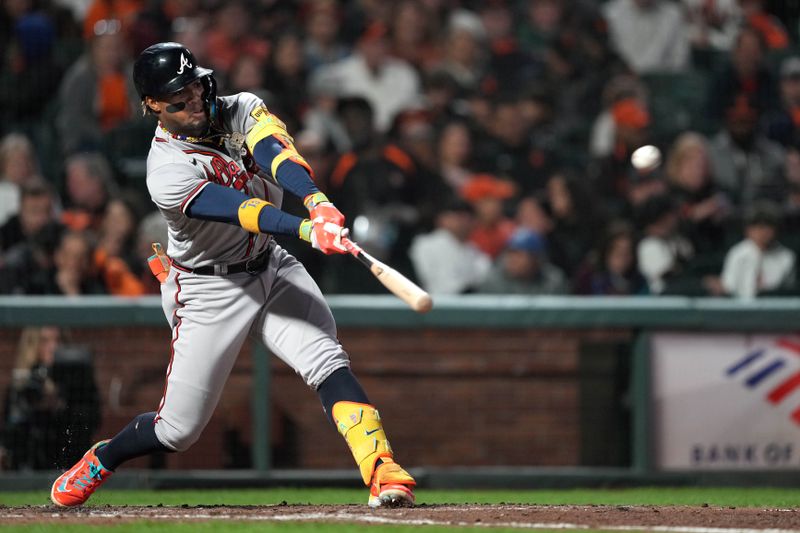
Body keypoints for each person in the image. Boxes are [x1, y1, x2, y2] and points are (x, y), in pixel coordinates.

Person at [50, 42, 415, 508]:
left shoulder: (243, 107)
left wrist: (317, 203)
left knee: (326, 360)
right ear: (153, 106)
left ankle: (382, 468)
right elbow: (241, 210)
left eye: (196, 87)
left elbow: (276, 155)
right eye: (179, 97)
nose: (195, 100)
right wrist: (306, 228)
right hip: (207, 287)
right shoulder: (164, 169)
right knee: (177, 430)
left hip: (269, 264)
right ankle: (104, 458)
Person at [721, 201, 796, 299]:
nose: (763, 232)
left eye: (768, 227)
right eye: (758, 227)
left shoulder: (787, 257)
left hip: (773, 309)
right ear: (748, 230)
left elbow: (787, 293)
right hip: (739, 310)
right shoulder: (737, 253)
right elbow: (728, 287)